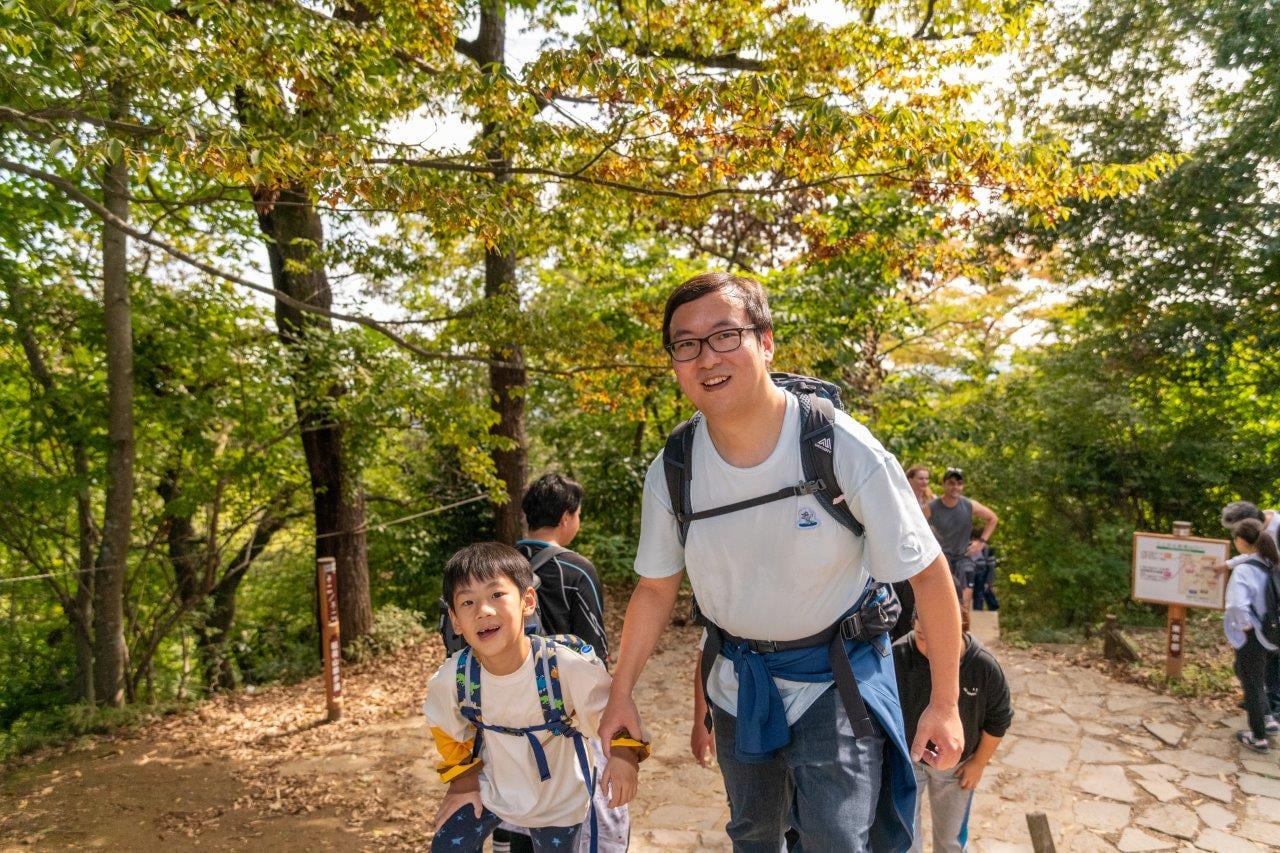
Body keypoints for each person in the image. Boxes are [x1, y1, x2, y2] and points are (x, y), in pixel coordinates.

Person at [600, 272, 964, 852]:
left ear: (765, 342)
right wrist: (622, 692)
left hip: (836, 675)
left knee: (835, 839)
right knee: (753, 833)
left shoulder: (839, 446)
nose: (705, 357)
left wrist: (944, 705)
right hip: (739, 681)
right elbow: (654, 588)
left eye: (725, 336)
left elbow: (929, 572)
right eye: (685, 344)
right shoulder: (675, 468)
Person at [424, 543, 644, 852]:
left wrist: (624, 758)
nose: (483, 610)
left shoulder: (564, 668)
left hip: (557, 799)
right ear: (456, 620)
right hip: (493, 787)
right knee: (447, 845)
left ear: (527, 601)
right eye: (468, 602)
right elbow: (444, 726)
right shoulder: (455, 678)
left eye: (496, 595)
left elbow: (611, 715)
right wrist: (463, 782)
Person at [489, 473, 623, 853]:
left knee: (512, 793)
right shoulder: (577, 569)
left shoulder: (495, 568)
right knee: (562, 803)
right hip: (561, 714)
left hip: (503, 708)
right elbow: (594, 651)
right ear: (567, 517)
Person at [893, 612, 1012, 853]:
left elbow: (998, 720)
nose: (928, 647)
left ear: (959, 629)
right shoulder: (898, 655)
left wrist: (979, 763)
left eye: (937, 638)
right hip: (908, 759)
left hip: (957, 765)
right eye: (921, 637)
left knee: (951, 842)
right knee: (904, 841)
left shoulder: (984, 665)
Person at [1219, 519, 1280, 753]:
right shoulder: (1272, 563)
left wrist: (1243, 627)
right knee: (1250, 674)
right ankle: (1268, 719)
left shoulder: (1245, 571)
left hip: (1254, 634)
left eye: (1235, 538)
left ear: (1242, 541)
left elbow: (1236, 605)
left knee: (1252, 683)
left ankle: (1258, 737)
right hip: (1273, 633)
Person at [926, 468, 998, 618]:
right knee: (940, 596)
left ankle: (962, 629)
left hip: (962, 556)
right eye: (951, 483)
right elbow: (915, 524)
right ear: (944, 485)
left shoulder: (969, 505)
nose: (955, 487)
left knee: (966, 585)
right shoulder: (932, 507)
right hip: (940, 558)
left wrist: (981, 543)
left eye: (959, 483)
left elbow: (992, 518)